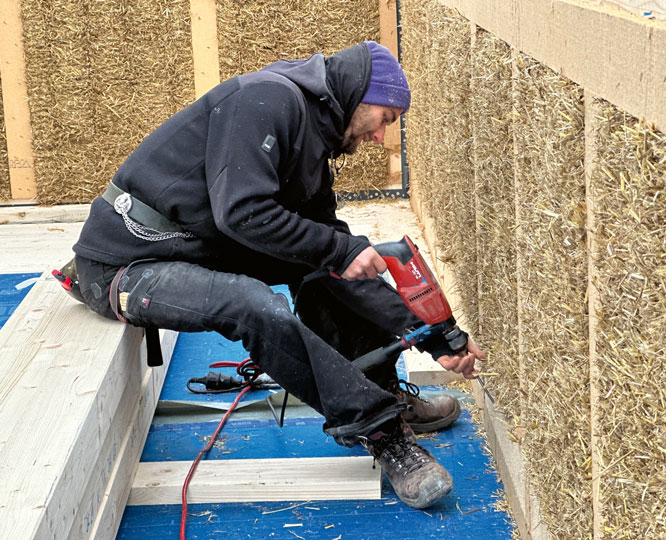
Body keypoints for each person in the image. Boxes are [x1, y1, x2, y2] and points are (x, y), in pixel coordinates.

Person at [71, 41, 486, 509]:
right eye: (386, 118)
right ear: (357, 95)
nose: (381, 136)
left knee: (328, 260)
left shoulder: (315, 139)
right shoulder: (264, 99)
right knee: (251, 304)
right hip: (128, 263)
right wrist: (338, 249)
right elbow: (242, 213)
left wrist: (431, 335)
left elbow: (332, 248)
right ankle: (383, 433)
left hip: (195, 246)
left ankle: (380, 389)